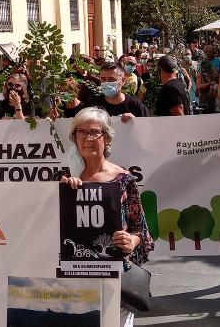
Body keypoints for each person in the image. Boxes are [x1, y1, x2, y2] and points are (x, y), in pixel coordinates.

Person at [59, 107, 153, 325]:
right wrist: (63, 190)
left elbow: (141, 228)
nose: (87, 138)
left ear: (107, 138)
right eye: (81, 133)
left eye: (94, 132)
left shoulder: (123, 179)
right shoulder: (64, 178)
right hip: (74, 278)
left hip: (115, 275)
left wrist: (131, 241)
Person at [84, 61, 149, 121]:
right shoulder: (92, 105)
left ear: (123, 81)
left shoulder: (135, 105)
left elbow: (148, 127)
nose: (106, 82)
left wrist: (136, 121)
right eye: (103, 79)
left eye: (111, 79)